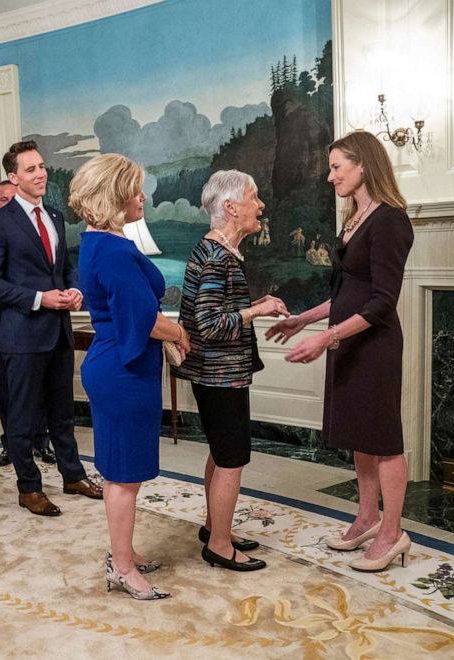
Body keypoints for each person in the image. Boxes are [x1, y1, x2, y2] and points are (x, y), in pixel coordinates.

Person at [267, 131, 415, 572]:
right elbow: (348, 293)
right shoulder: (355, 217)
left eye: (336, 167)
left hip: (374, 344)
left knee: (383, 438)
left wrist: (327, 338)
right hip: (347, 340)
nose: (329, 176)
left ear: (363, 165)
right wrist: (305, 320)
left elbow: (381, 302)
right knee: (361, 437)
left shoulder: (390, 219)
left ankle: (393, 532)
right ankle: (367, 516)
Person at [72, 154, 188, 600]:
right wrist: (179, 333)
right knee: (122, 475)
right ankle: (121, 566)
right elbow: (142, 318)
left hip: (119, 363)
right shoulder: (116, 249)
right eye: (136, 189)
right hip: (122, 369)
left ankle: (125, 553)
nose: (143, 196)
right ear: (116, 195)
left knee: (123, 472)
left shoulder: (99, 241)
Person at [0, 140, 103, 516]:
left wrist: (75, 288)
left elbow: (64, 267)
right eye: (30, 169)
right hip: (20, 334)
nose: (41, 173)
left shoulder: (55, 216)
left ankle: (72, 474)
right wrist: (40, 298)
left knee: (62, 412)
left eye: (42, 166)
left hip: (58, 331)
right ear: (13, 177)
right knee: (21, 416)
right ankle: (29, 488)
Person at [172, 169, 289, 573]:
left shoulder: (215, 251)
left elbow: (213, 313)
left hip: (215, 375)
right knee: (232, 459)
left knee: (222, 454)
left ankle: (213, 526)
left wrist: (253, 304)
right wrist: (258, 309)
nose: (260, 206)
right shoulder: (217, 257)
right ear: (230, 207)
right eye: (254, 198)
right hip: (220, 376)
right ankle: (220, 545)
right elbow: (208, 324)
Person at [0, 180, 55, 467]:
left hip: (37, 318)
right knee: (7, 387)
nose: (7, 204)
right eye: (3, 200)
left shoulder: (38, 228)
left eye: (12, 199)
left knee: (41, 385)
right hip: (2, 322)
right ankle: (11, 443)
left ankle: (41, 440)